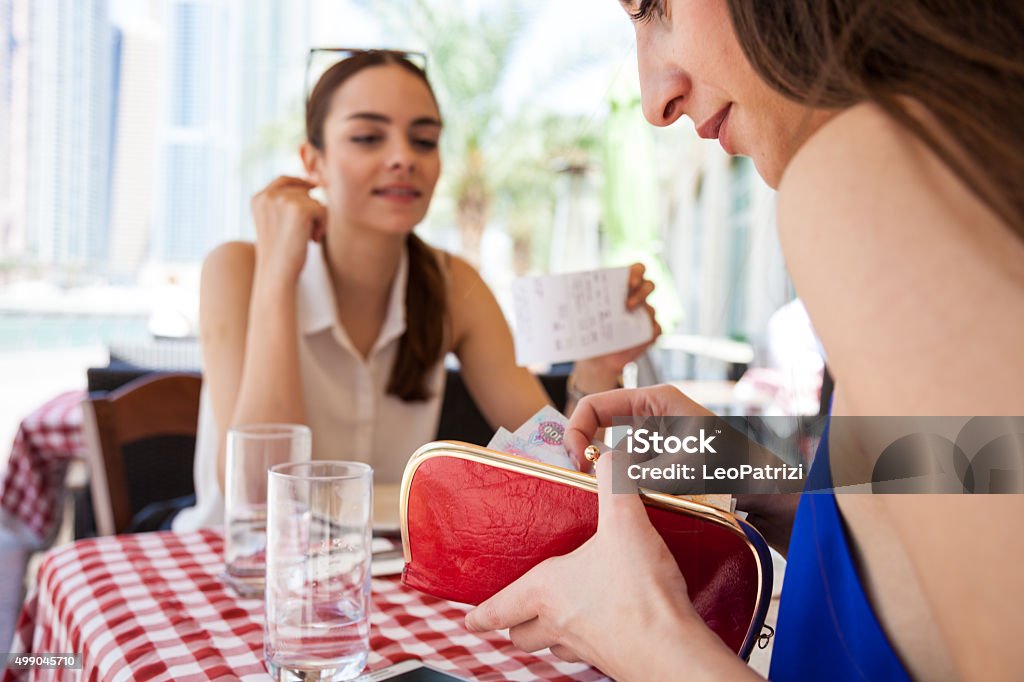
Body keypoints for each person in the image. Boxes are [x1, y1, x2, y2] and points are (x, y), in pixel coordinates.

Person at [465, 1, 1024, 679]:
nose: (654, 101)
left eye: (653, 6)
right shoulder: (967, 155)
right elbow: (973, 496)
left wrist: (642, 635)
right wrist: (769, 483)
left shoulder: (865, 170)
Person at [173, 50, 659, 531]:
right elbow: (259, 496)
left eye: (424, 140)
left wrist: (598, 372)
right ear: (312, 161)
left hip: (378, 570)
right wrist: (279, 272)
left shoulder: (452, 285)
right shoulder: (239, 268)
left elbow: (553, 461)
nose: (403, 157)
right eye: (367, 137)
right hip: (233, 568)